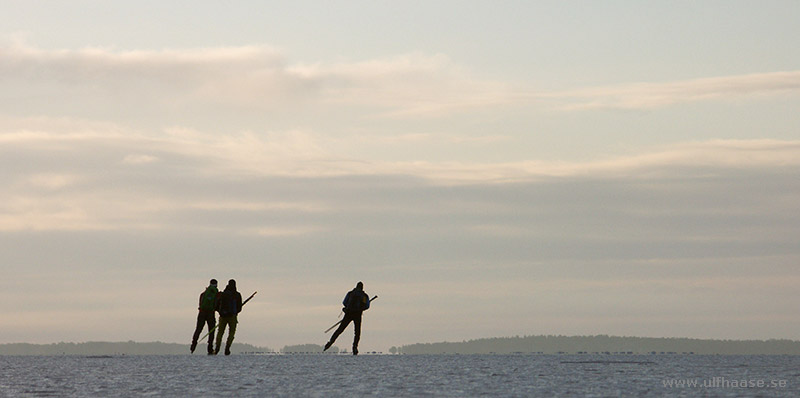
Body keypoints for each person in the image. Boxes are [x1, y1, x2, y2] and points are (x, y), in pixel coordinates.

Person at [324, 281, 370, 355]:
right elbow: (367, 306)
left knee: (340, 329)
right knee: (357, 333)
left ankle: (330, 342)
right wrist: (361, 309)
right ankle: (355, 347)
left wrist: (348, 308)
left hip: (348, 313)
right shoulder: (364, 296)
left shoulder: (350, 293)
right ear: (362, 288)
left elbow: (344, 302)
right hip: (357, 315)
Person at [214, 279, 243, 355]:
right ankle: (227, 348)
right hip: (232, 317)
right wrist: (235, 312)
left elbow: (217, 305)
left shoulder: (223, 294)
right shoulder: (237, 295)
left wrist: (220, 312)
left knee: (220, 332)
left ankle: (217, 348)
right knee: (231, 333)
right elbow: (239, 307)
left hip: (222, 316)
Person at [191, 279, 219, 354]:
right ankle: (210, 348)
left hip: (202, 312)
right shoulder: (216, 293)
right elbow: (217, 304)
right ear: (216, 284)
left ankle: (193, 344)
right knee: (211, 330)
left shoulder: (204, 293)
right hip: (210, 313)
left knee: (198, 329)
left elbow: (200, 303)